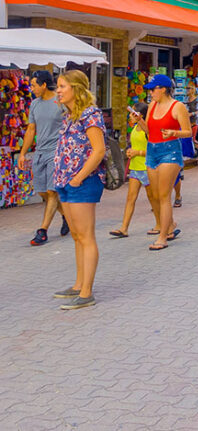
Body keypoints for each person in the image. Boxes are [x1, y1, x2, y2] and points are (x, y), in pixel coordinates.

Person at [51, 70, 106, 310]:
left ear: (76, 88)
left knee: (86, 236)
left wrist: (78, 178)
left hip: (82, 182)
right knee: (76, 236)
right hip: (66, 180)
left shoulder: (90, 115)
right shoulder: (69, 115)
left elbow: (99, 150)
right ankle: (78, 284)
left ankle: (86, 292)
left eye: (62, 86)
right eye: (57, 87)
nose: (58, 91)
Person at [130, 74, 191, 251]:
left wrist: (174, 133)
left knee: (164, 196)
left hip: (170, 151)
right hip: (152, 150)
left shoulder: (177, 106)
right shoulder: (152, 106)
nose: (151, 93)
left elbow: (187, 132)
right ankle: (169, 225)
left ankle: (163, 237)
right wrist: (139, 120)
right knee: (155, 195)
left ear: (163, 89)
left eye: (153, 89)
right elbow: (149, 130)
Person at [19, 71, 67, 246]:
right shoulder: (34, 104)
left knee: (52, 191)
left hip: (56, 152)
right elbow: (31, 130)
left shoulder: (60, 102)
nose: (31, 89)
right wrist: (23, 153)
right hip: (40, 152)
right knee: (42, 192)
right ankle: (66, 216)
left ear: (44, 85)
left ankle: (43, 231)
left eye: (33, 85)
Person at [109, 103, 157, 238]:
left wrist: (138, 152)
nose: (129, 116)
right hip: (135, 168)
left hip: (146, 168)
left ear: (140, 115)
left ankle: (161, 224)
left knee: (153, 199)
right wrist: (131, 152)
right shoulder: (135, 128)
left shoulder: (148, 129)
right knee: (130, 198)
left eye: (132, 113)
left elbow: (153, 151)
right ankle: (124, 228)